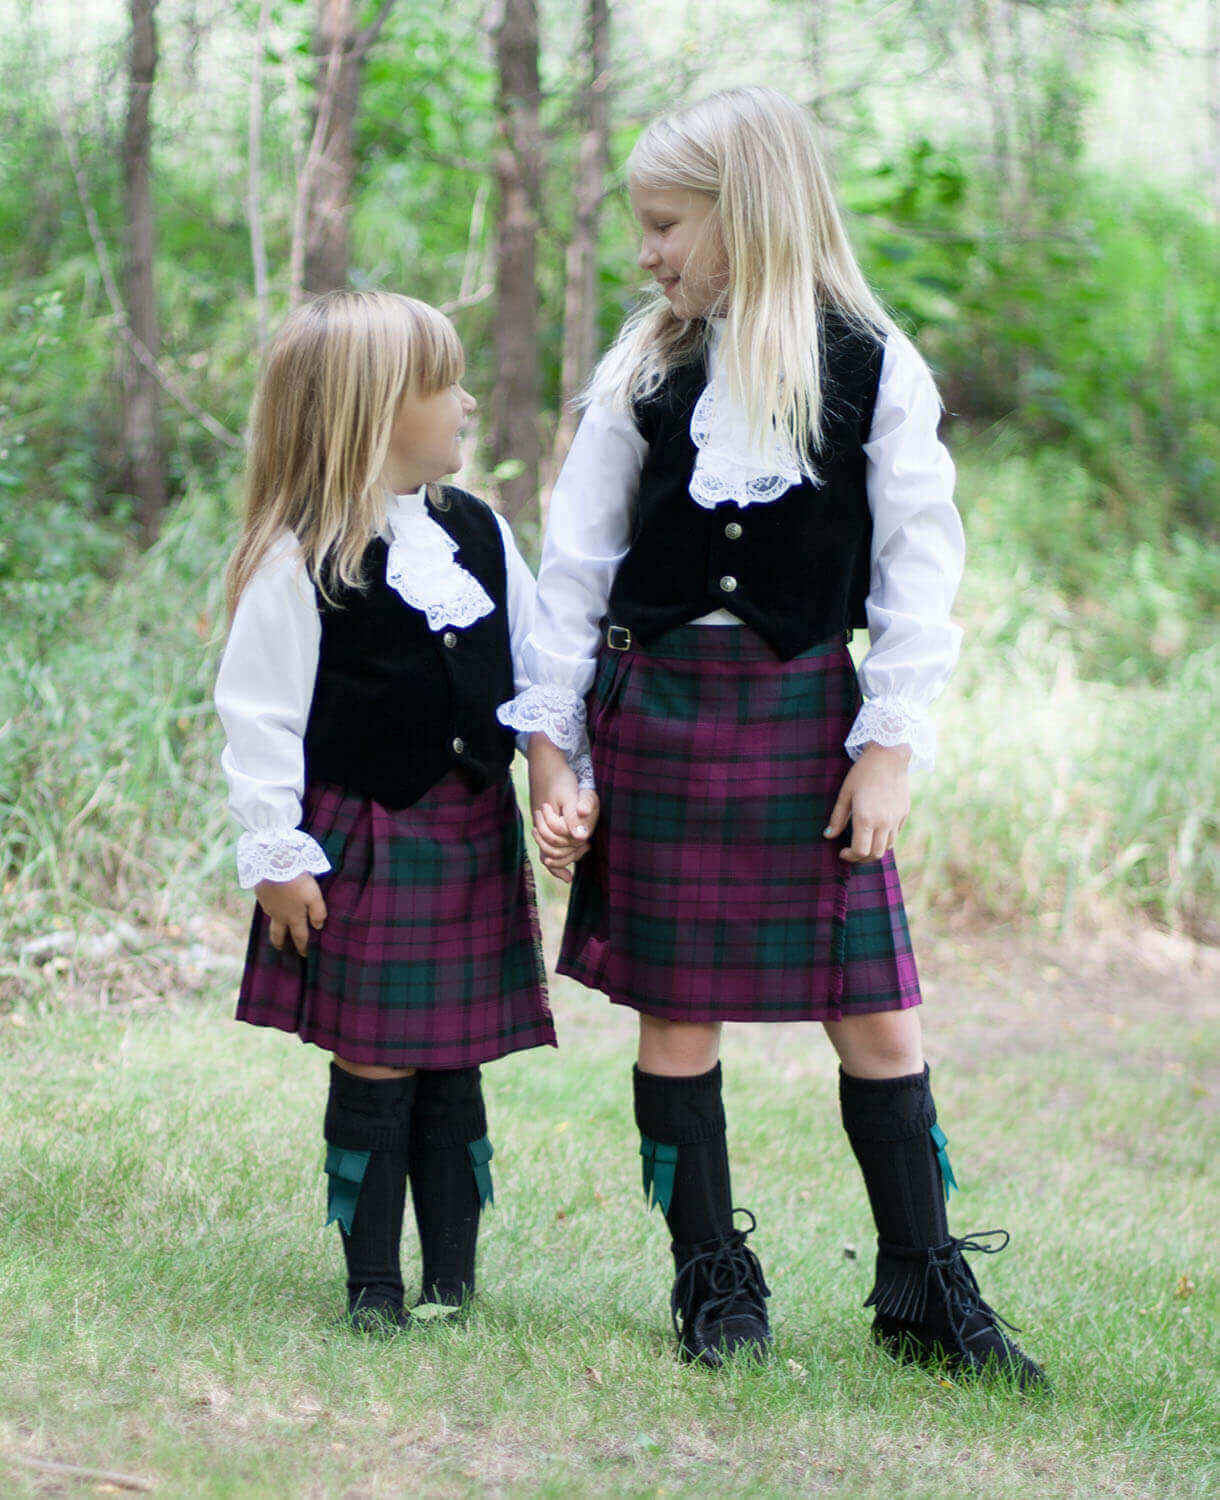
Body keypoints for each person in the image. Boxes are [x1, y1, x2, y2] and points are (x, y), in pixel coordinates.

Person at [500, 87, 1045, 1388]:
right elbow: (572, 571)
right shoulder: (643, 366)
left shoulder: (872, 362)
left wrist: (891, 741)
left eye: (666, 225)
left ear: (745, 215)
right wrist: (553, 751)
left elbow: (922, 563)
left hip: (812, 723)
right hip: (662, 722)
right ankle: (712, 1281)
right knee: (677, 1017)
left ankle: (922, 1284)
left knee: (879, 1016)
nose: (650, 253)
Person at [215, 290, 554, 1333]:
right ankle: (370, 1285)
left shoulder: (479, 532)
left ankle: (451, 1277)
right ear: (372, 412)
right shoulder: (301, 555)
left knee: (454, 1059)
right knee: (377, 1057)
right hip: (363, 839)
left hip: (467, 830)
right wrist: (277, 851)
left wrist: (556, 771)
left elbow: (535, 669)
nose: (463, 402)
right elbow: (258, 713)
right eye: (440, 385)